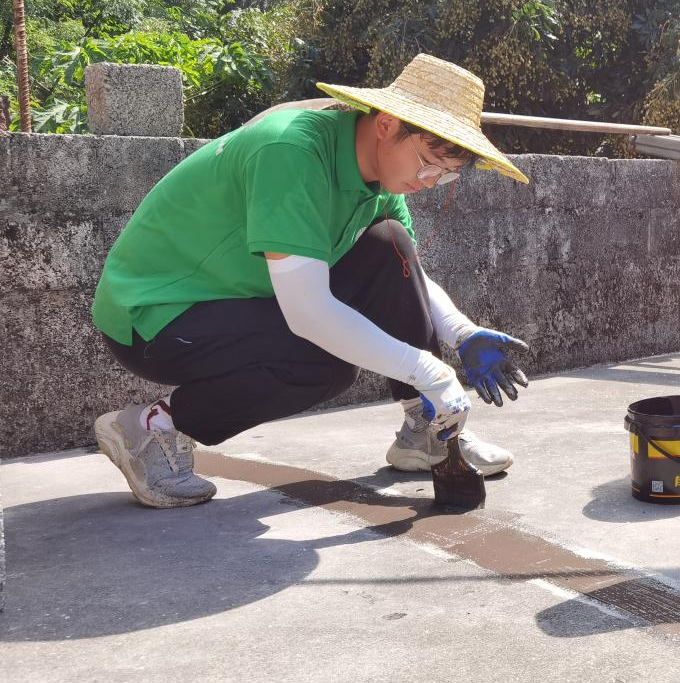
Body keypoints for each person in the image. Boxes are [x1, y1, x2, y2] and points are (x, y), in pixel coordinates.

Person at [91, 53, 532, 508]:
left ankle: (425, 428)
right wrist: (431, 373)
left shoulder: (378, 182)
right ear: (385, 124)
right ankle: (150, 428)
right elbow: (308, 313)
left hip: (247, 299)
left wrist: (462, 334)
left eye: (446, 175)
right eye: (427, 163)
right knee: (323, 366)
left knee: (389, 242)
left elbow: (407, 274)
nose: (430, 180)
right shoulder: (291, 151)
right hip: (157, 316)